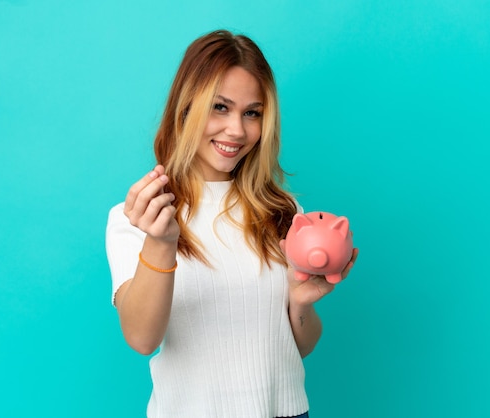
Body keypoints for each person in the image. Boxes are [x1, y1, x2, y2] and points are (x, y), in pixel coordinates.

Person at [106, 29, 358, 418]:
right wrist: (161, 242)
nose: (237, 131)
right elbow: (141, 338)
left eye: (252, 113)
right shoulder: (140, 216)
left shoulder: (282, 210)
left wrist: (300, 302)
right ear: (185, 107)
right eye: (220, 107)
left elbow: (301, 347)